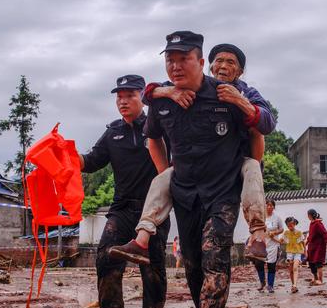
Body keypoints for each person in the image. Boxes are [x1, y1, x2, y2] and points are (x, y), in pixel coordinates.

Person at [141, 30, 256, 308]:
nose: (175, 66)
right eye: (169, 60)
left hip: (222, 193)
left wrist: (253, 170)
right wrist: (168, 174)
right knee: (192, 267)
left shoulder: (226, 95)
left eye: (183, 59)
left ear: (200, 62)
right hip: (186, 196)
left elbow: (260, 127)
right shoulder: (162, 100)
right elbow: (154, 140)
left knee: (215, 260)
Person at [108, 43, 276, 266]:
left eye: (231, 62)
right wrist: (167, 91)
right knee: (164, 178)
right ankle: (141, 239)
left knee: (253, 165)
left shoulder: (245, 92)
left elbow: (267, 122)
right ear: (209, 65)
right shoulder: (195, 88)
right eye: (219, 60)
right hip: (195, 169)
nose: (223, 66)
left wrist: (239, 100)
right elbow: (149, 94)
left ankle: (257, 234)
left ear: (240, 71)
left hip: (235, 163)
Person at [78, 74, 170, 308]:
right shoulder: (113, 132)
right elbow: (92, 161)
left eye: (129, 95)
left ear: (142, 96)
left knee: (153, 269)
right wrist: (67, 156)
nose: (123, 101)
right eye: (119, 96)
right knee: (106, 259)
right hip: (121, 209)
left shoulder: (157, 126)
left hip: (153, 209)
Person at [255, 199, 283, 293]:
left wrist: (275, 232)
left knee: (271, 265)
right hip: (261, 243)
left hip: (273, 244)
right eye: (267, 205)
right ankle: (262, 283)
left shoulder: (277, 217)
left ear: (274, 207)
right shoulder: (261, 217)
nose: (269, 207)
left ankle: (270, 285)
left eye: (271, 205)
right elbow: (256, 228)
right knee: (259, 264)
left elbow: (281, 229)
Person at [305, 209, 327, 285]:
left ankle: (320, 280)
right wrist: (306, 242)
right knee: (311, 263)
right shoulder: (312, 223)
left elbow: (325, 233)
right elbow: (311, 235)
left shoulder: (318, 224)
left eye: (308, 215)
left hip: (319, 247)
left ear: (310, 215)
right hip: (312, 247)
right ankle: (315, 278)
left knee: (318, 263)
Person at [282, 217, 305, 293]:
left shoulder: (299, 233)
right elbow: (281, 241)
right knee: (291, 270)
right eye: (288, 225)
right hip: (289, 253)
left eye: (291, 225)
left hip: (298, 252)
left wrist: (305, 251)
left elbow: (303, 242)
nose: (290, 227)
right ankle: (293, 285)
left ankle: (294, 285)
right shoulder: (286, 233)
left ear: (294, 224)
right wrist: (272, 238)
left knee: (295, 267)